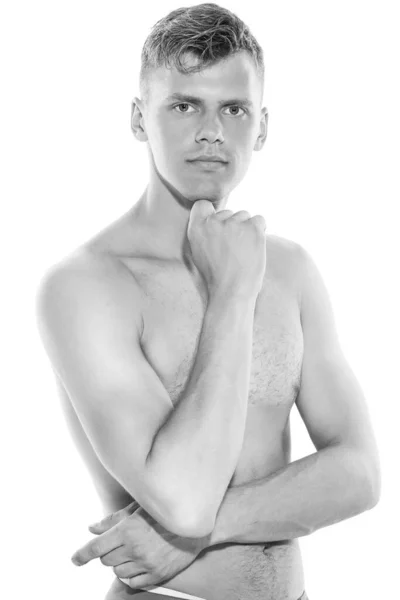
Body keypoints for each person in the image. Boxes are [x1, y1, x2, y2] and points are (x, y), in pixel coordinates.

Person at [35, 3, 381, 600]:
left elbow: (360, 473)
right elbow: (183, 501)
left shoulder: (292, 269)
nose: (211, 132)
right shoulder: (87, 286)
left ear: (263, 127)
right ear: (140, 119)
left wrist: (192, 533)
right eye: (184, 104)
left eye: (234, 109)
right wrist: (232, 291)